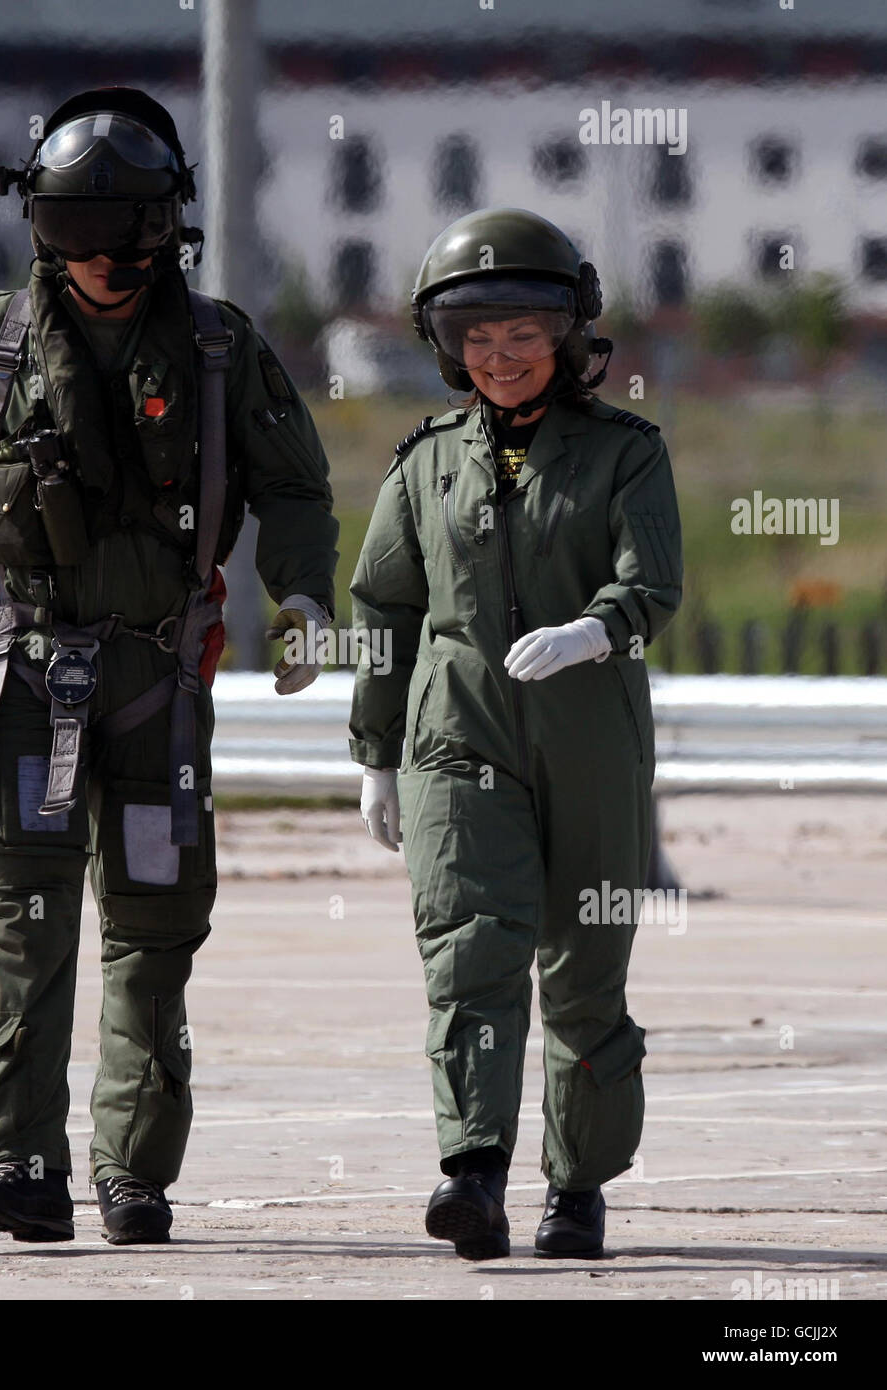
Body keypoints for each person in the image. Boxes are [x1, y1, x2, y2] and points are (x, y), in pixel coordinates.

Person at [0, 87, 338, 1246]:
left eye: (130, 232)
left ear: (173, 229)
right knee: (22, 924)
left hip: (159, 686)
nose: (106, 259)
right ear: (38, 230)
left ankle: (136, 1174)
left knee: (154, 933)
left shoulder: (219, 348)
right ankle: (22, 1164)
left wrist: (302, 592)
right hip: (23, 682)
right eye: (74, 232)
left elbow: (295, 482)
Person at [349, 207, 682, 1260]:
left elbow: (654, 577)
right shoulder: (423, 464)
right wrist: (375, 752)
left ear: (570, 338)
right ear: (448, 347)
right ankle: (475, 1175)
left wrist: (597, 629)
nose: (497, 357)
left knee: (586, 973)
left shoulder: (628, 454)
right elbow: (383, 608)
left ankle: (577, 1189)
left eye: (522, 335)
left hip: (593, 743)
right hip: (457, 738)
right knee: (469, 954)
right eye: (476, 337)